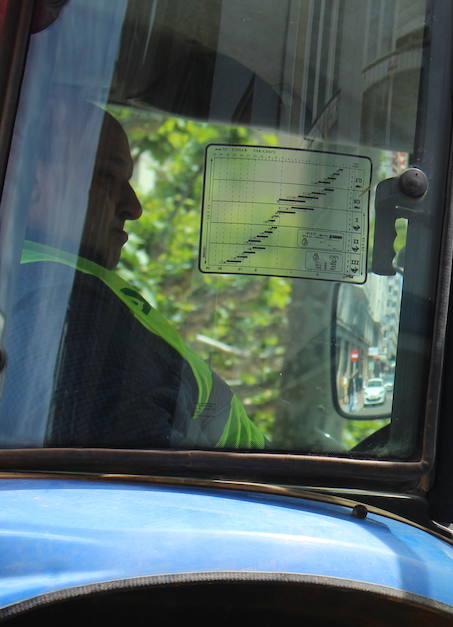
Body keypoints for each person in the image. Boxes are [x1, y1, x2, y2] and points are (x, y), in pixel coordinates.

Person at [0, 98, 264, 448]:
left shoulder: (48, 289)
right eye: (106, 177)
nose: (133, 207)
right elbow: (139, 484)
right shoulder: (62, 304)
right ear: (30, 183)